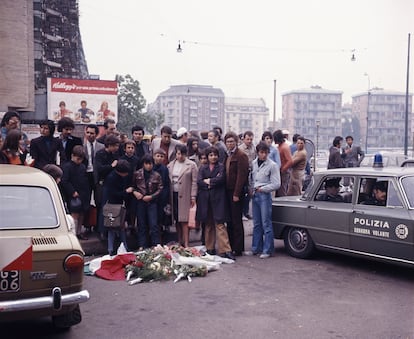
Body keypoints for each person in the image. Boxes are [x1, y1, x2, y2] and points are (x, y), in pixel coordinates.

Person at [196, 146, 235, 260]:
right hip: (206, 200)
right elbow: (199, 181)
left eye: (215, 155)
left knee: (220, 225)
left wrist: (208, 181)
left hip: (218, 199)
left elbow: (221, 179)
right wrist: (211, 182)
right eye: (211, 155)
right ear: (207, 157)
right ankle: (210, 248)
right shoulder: (203, 168)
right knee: (208, 225)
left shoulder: (221, 167)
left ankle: (226, 250)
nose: (213, 157)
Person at [249, 142, 280, 258]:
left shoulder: (272, 165)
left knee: (266, 223)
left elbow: (276, 184)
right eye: (261, 152)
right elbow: (252, 178)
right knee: (256, 223)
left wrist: (263, 189)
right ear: (258, 152)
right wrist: (251, 188)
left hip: (264, 195)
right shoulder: (254, 163)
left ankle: (267, 249)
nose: (264, 155)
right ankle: (256, 248)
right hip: (255, 194)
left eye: (266, 153)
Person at [224, 132, 249, 256]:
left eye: (232, 141)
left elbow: (242, 176)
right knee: (229, 220)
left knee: (236, 221)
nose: (230, 144)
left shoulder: (241, 155)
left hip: (236, 192)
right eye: (228, 142)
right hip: (227, 191)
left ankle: (238, 248)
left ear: (236, 142)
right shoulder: (227, 155)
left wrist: (236, 193)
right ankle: (231, 246)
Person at [167, 144, 198, 248]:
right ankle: (179, 241)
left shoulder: (191, 165)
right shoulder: (171, 165)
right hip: (173, 194)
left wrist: (193, 196)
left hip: (185, 194)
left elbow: (194, 181)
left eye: (182, 154)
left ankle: (186, 243)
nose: (180, 156)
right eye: (178, 153)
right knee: (176, 219)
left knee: (184, 220)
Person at [132, 154, 163, 249]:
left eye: (151, 164)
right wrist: (135, 193)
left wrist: (151, 196)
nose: (149, 166)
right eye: (147, 164)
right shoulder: (137, 174)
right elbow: (132, 186)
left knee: (154, 224)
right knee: (141, 224)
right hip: (141, 201)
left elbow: (160, 188)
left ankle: (156, 244)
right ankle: (142, 245)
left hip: (151, 202)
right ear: (143, 164)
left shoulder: (157, 175)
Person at [103, 160, 134, 255]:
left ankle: (123, 247)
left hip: (120, 205)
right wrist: (126, 192)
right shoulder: (111, 178)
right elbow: (113, 194)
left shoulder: (118, 176)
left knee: (121, 227)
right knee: (112, 228)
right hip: (113, 205)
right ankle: (111, 249)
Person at [61, 145, 91, 240]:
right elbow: (65, 181)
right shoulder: (67, 166)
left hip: (83, 193)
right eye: (78, 159)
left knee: (81, 214)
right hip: (73, 194)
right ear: (72, 156)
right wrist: (72, 191)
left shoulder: (82, 166)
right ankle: (72, 233)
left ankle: (78, 232)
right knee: (74, 215)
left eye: (81, 159)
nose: (79, 161)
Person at [94, 134, 121, 239]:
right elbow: (100, 169)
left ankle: (113, 229)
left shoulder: (115, 155)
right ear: (109, 145)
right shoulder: (100, 154)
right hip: (103, 184)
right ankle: (102, 230)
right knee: (103, 207)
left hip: (113, 183)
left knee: (114, 207)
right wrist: (111, 166)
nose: (116, 148)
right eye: (115, 146)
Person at [153, 148, 171, 243]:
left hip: (161, 198)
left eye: (162, 156)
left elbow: (165, 184)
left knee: (160, 219)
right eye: (158, 156)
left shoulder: (164, 169)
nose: (159, 158)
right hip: (151, 197)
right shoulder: (151, 166)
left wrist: (164, 198)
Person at [239, 131, 256, 220]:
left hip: (252, 172)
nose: (249, 141)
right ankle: (242, 213)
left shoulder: (253, 148)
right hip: (243, 173)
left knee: (249, 193)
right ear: (243, 139)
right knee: (243, 193)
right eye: (247, 139)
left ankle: (246, 212)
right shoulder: (240, 149)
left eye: (251, 139)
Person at [274, 129, 293, 197]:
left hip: (284, 173)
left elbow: (290, 161)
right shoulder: (280, 146)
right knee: (279, 190)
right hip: (280, 172)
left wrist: (283, 169)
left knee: (282, 191)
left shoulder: (285, 147)